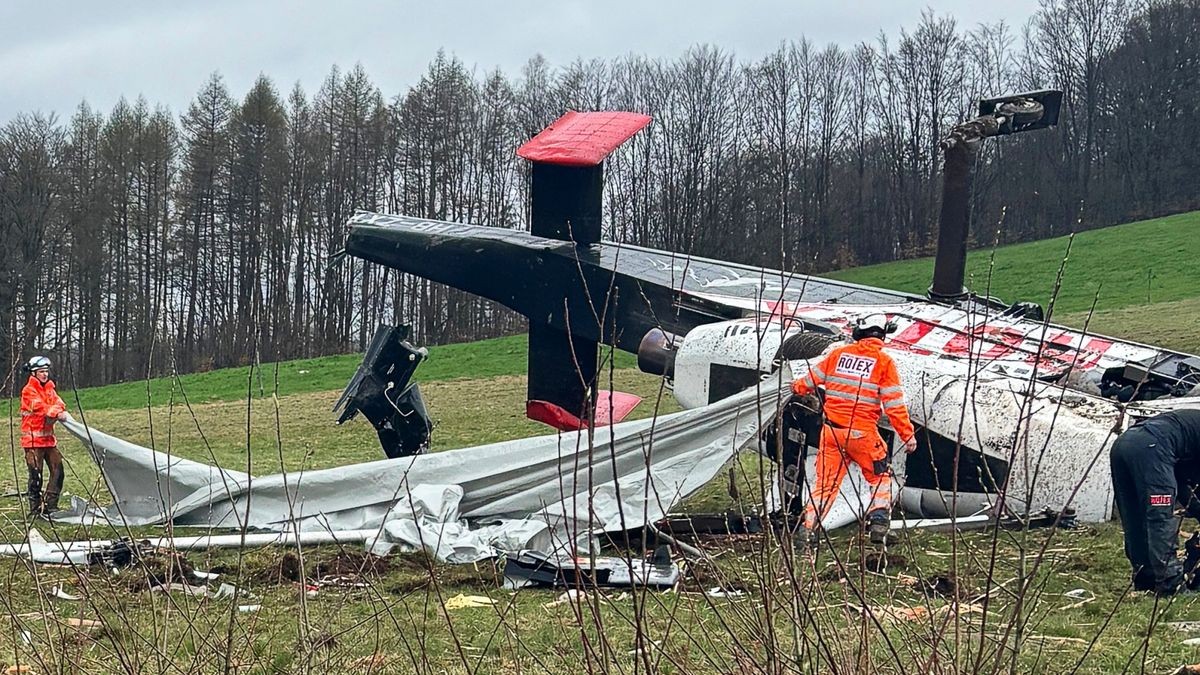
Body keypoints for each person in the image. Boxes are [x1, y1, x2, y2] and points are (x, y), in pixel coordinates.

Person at [790, 314, 917, 545]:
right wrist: (907, 435)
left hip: (831, 434)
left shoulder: (837, 355)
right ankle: (878, 524)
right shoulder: (883, 362)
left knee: (825, 485)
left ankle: (807, 532)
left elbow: (806, 383)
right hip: (862, 434)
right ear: (882, 334)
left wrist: (795, 387)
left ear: (860, 332)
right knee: (879, 476)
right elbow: (893, 405)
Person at [1109, 408, 1200, 595]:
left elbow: (1182, 481)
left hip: (1125, 443)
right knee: (1160, 516)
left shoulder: (1190, 430)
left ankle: (1146, 578)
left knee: (1134, 516)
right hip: (1154, 447)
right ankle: (1171, 583)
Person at [19, 356, 69, 517]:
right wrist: (56, 411)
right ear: (34, 373)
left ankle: (50, 505)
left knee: (58, 471)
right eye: (41, 372)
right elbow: (40, 407)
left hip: (48, 440)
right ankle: (35, 509)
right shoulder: (28, 391)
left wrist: (56, 409)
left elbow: (60, 403)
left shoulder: (49, 388)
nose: (45, 374)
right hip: (33, 441)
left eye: (46, 371)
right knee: (36, 475)